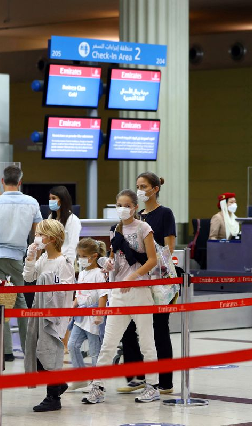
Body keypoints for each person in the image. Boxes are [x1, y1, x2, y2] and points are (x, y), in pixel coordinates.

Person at [83, 189, 160, 405]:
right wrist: (108, 265)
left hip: (140, 292)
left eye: (126, 205)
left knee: (146, 342)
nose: (122, 209)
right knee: (108, 343)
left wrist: (133, 277)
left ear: (135, 207)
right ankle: (98, 386)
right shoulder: (114, 229)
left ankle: (152, 386)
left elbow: (151, 260)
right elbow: (114, 258)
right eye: (119, 205)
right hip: (117, 293)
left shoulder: (144, 228)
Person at [118, 172, 176, 395]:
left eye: (143, 186)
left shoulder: (164, 214)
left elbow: (168, 248)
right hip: (138, 279)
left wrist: (151, 261)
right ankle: (137, 376)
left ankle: (165, 381)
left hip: (158, 279)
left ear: (155, 188)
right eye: (137, 186)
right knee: (131, 328)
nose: (140, 190)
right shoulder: (137, 216)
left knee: (159, 329)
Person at [0, 165, 42, 361]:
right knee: (20, 301)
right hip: (18, 257)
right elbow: (37, 234)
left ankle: (5, 350)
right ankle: (27, 349)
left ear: (2, 181)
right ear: (20, 181)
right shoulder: (32, 202)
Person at [23, 219, 75, 412]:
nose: (37, 238)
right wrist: (30, 259)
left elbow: (65, 292)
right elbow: (29, 278)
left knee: (49, 354)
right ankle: (58, 383)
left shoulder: (64, 262)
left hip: (54, 317)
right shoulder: (43, 258)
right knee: (38, 353)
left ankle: (53, 397)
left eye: (41, 234)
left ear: (52, 238)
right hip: (39, 311)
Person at [67, 238, 108, 391]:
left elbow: (103, 295)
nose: (81, 259)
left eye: (83, 256)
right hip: (80, 317)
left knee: (94, 351)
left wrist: (100, 315)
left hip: (93, 318)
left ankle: (97, 382)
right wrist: (74, 304)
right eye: (79, 256)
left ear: (94, 256)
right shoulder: (83, 273)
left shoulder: (99, 274)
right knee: (72, 345)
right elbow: (79, 293)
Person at [49, 186, 82, 262]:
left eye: (53, 198)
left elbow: (73, 244)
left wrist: (69, 263)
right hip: (50, 259)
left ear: (62, 200)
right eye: (50, 198)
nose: (51, 201)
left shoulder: (73, 220)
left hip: (64, 260)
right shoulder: (50, 217)